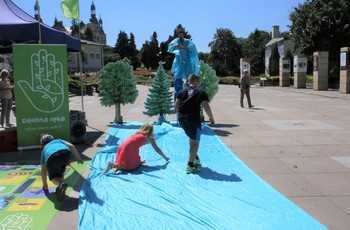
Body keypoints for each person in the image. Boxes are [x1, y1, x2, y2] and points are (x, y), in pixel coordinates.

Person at [175, 74, 215, 173]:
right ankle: (190, 165)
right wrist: (211, 117)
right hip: (193, 119)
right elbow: (206, 105)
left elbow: (176, 105)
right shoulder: (201, 92)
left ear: (189, 82)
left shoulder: (181, 92)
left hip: (182, 119)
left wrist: (183, 113)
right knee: (195, 142)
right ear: (197, 82)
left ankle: (194, 156)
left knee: (191, 137)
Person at [104, 123, 169, 173]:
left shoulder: (137, 134)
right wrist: (165, 157)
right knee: (131, 167)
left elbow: (131, 144)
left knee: (126, 159)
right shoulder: (149, 138)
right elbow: (157, 149)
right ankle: (112, 165)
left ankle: (119, 165)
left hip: (122, 146)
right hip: (129, 148)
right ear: (151, 131)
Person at [40, 134, 84, 201]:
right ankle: (61, 185)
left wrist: (45, 184)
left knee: (54, 177)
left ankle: (61, 184)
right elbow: (71, 146)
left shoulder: (44, 150)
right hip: (66, 153)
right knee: (61, 170)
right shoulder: (58, 140)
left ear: (43, 145)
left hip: (52, 156)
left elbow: (43, 170)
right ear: (53, 139)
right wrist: (78, 157)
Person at [168, 28, 200, 101]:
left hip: (187, 63)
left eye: (181, 33)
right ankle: (177, 105)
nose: (180, 34)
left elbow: (193, 50)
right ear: (177, 34)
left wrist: (181, 47)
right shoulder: (175, 41)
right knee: (177, 80)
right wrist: (175, 46)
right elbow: (170, 48)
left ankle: (190, 100)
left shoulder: (188, 41)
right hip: (179, 63)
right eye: (179, 33)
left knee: (190, 79)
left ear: (183, 34)